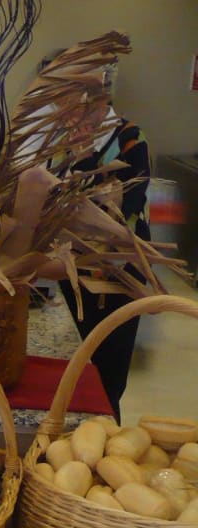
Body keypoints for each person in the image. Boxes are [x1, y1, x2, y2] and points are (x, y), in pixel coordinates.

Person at [56, 79, 151, 423]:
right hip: (75, 270)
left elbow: (126, 209)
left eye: (75, 111)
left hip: (119, 273)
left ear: (99, 103)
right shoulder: (67, 138)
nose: (69, 121)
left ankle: (107, 434)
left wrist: (82, 159)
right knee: (77, 364)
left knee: (109, 371)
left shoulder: (129, 139)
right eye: (63, 112)